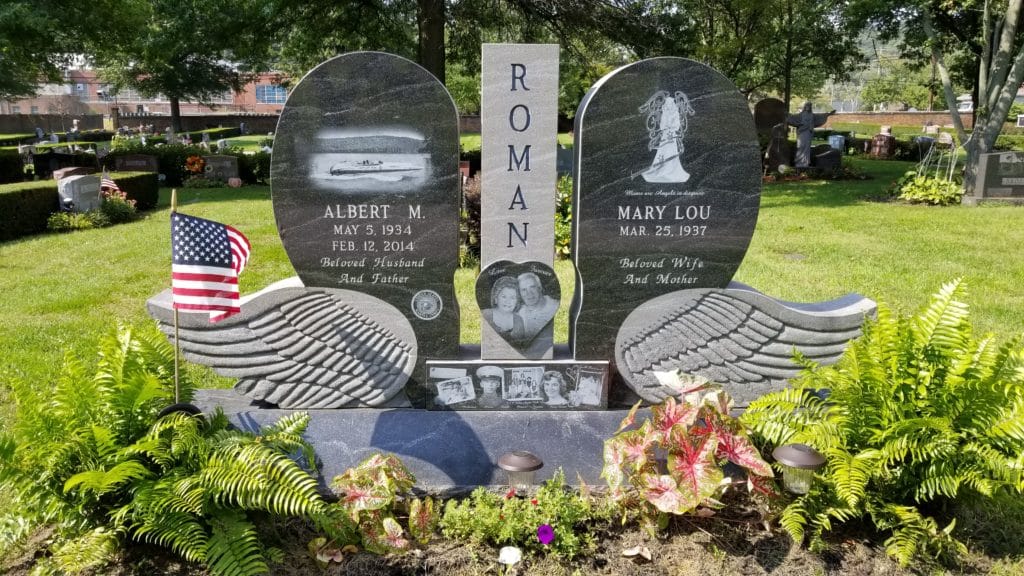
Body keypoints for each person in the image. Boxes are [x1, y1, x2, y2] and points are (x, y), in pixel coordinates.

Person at [786, 102, 835, 168]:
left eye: (810, 106)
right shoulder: (800, 115)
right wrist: (787, 114)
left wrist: (828, 114)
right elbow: (793, 118)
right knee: (800, 146)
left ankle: (805, 163)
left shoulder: (812, 115)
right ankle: (798, 161)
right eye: (807, 105)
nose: (808, 107)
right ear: (805, 106)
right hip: (802, 133)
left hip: (808, 133)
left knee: (807, 148)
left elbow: (820, 116)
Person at [482, 276, 526, 342]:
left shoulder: (518, 321)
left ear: (517, 301)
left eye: (512, 298)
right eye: (504, 296)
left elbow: (521, 345)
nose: (508, 301)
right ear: (496, 298)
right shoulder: (486, 315)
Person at [516, 272, 559, 338]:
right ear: (520, 293)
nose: (529, 293)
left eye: (532, 287)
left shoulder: (556, 307)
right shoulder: (520, 315)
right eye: (523, 290)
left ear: (539, 288)